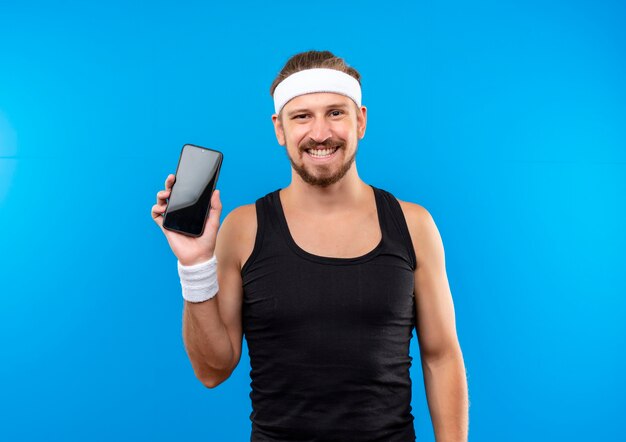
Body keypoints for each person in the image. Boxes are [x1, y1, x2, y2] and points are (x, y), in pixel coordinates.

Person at [151, 50, 469, 441]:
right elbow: (212, 370)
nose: (320, 133)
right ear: (279, 129)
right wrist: (195, 265)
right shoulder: (243, 229)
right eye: (302, 116)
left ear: (361, 121)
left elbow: (440, 356)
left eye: (336, 112)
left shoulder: (413, 225)